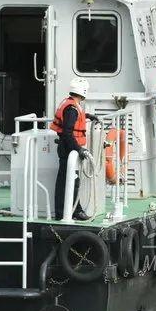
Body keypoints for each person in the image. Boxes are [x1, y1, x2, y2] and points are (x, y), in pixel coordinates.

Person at [50, 77, 98, 221]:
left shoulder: (71, 105)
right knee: (69, 181)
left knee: (68, 180)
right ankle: (71, 211)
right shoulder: (72, 109)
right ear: (82, 92)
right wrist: (78, 149)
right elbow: (67, 132)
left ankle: (70, 210)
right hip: (69, 149)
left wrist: (88, 116)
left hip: (68, 147)